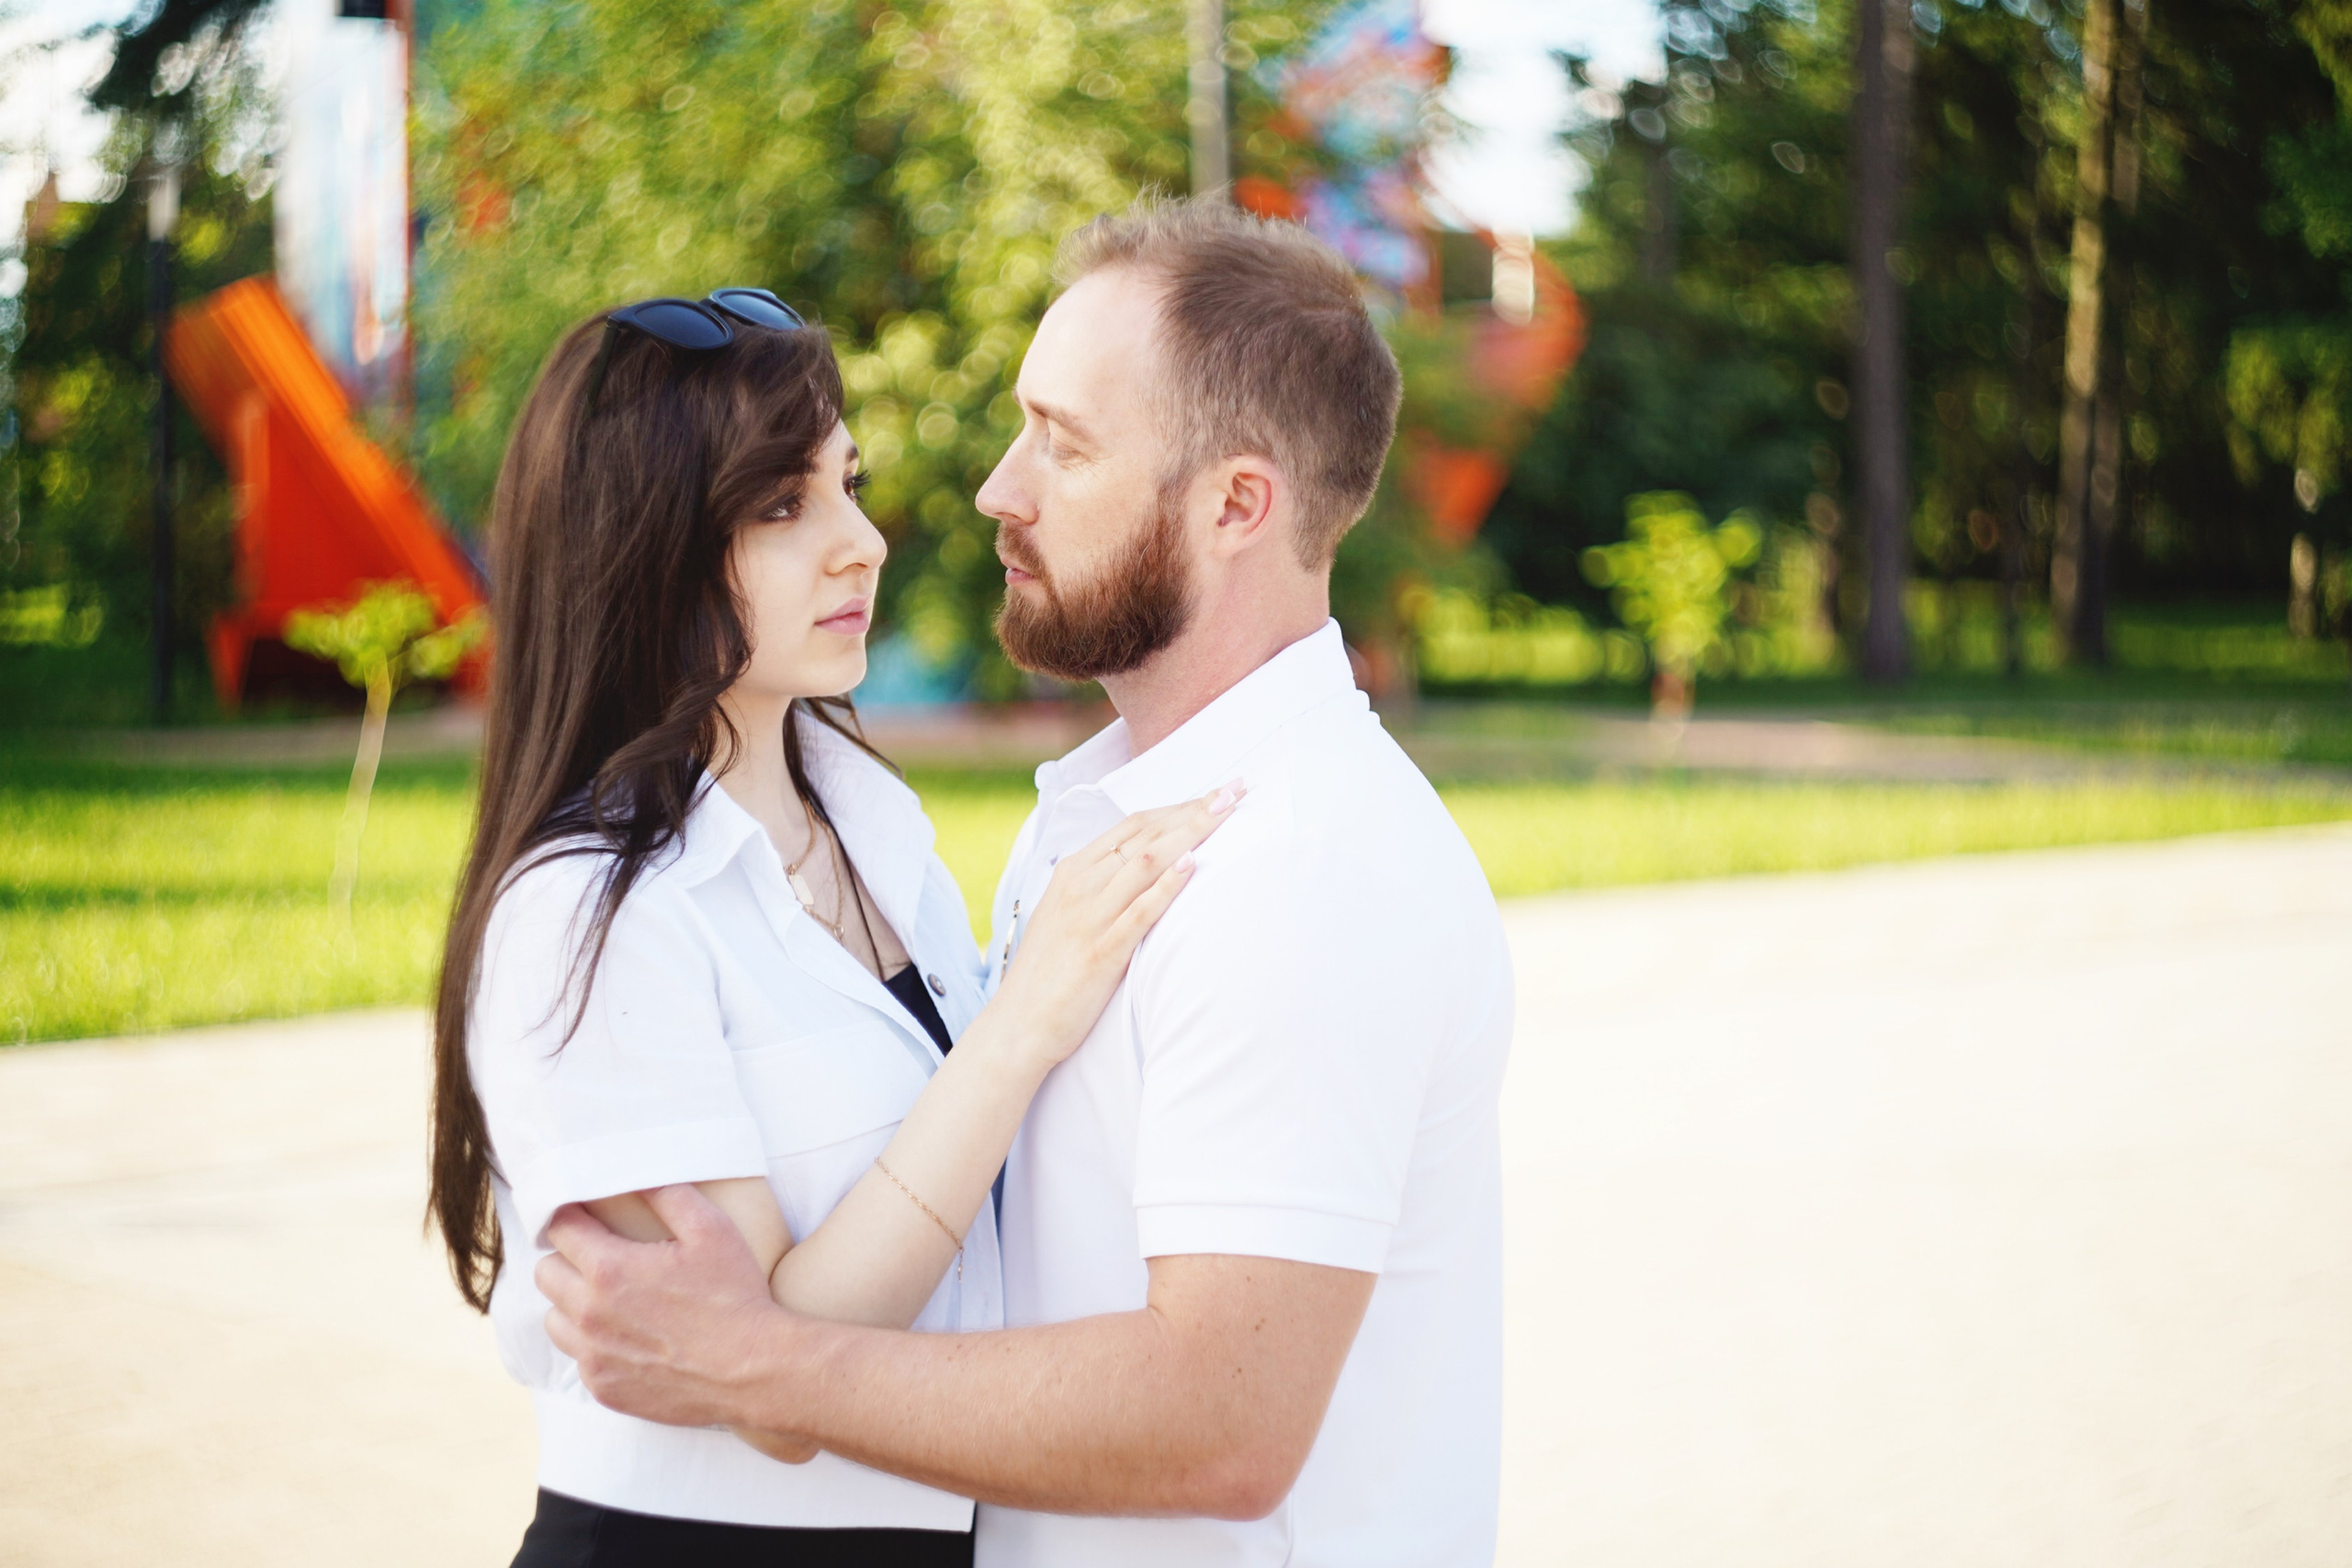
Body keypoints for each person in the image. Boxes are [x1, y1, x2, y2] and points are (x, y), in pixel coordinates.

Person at [538, 200, 1517, 1566]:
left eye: (1065, 443)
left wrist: (757, 1362)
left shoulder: (1302, 867)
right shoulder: (1109, 817)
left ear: (1237, 504)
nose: (1002, 488)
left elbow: (1221, 1426)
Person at [428, 285, 1238, 1567]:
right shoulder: (588, 911)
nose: (860, 543)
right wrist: (1025, 1018)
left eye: (846, 485)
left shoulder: (870, 825)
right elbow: (773, 1382)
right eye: (781, 506)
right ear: (641, 545)